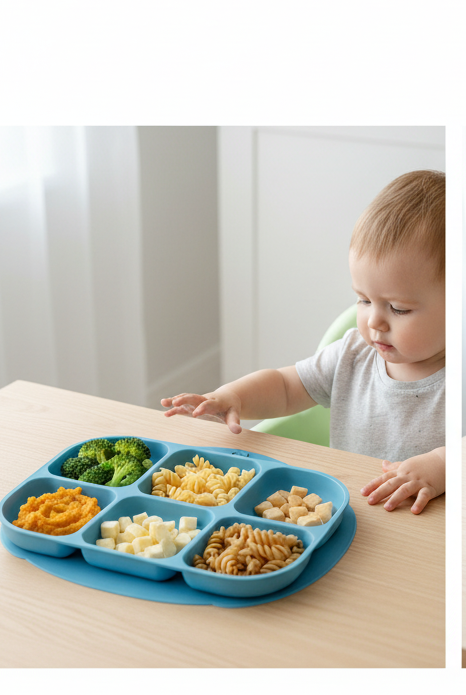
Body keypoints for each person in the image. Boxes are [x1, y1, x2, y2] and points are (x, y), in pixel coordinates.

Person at [162, 170, 446, 514]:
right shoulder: (352, 356)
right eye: (363, 300)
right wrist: (233, 396)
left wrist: (441, 465)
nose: (374, 321)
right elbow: (284, 386)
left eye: (399, 308)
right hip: (347, 511)